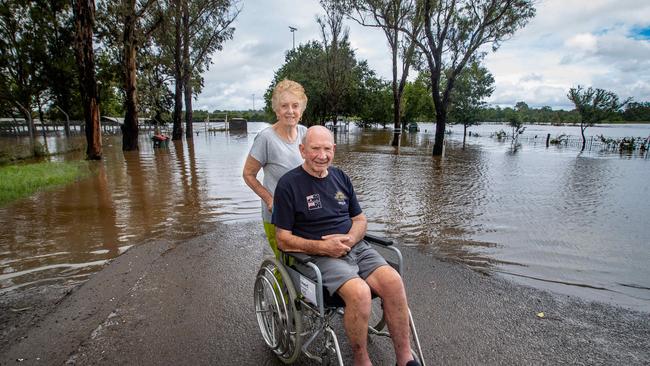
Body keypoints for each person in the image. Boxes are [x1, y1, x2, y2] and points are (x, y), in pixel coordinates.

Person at [272, 126, 420, 366]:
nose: (322, 155)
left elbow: (360, 220)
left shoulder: (341, 177)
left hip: (356, 247)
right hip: (318, 258)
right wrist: (323, 248)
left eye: (327, 149)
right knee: (360, 293)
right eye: (315, 149)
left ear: (334, 150)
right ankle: (361, 360)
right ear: (302, 150)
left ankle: (405, 357)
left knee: (393, 282)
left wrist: (351, 238)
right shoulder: (289, 185)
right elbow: (283, 239)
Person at [243, 79, 308, 259]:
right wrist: (269, 199)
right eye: (284, 105)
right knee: (284, 265)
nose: (290, 111)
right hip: (277, 215)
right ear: (276, 109)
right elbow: (248, 174)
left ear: (301, 109)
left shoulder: (306, 134)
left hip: (303, 214)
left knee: (304, 264)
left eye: (295, 105)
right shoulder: (266, 138)